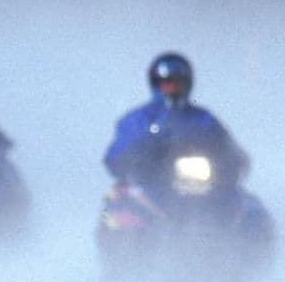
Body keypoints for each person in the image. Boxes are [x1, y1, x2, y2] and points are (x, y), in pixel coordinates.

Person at [104, 52, 249, 186]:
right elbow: (116, 153)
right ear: (156, 84)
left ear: (187, 84)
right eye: (167, 84)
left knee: (248, 205)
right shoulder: (139, 119)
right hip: (152, 186)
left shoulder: (203, 118)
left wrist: (233, 160)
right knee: (121, 200)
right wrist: (132, 158)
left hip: (203, 187)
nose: (172, 88)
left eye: (178, 83)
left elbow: (228, 145)